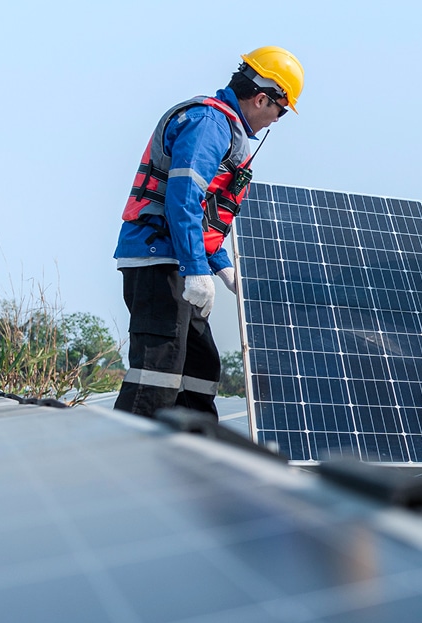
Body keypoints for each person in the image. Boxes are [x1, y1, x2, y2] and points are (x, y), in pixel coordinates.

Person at [112, 47, 302, 420]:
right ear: (262, 97)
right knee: (158, 371)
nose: (277, 120)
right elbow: (183, 199)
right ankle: (129, 460)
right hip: (160, 258)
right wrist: (196, 268)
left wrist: (221, 266)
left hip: (180, 258)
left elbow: (206, 213)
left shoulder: (225, 128)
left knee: (201, 366)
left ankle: (192, 452)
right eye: (279, 111)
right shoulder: (208, 125)